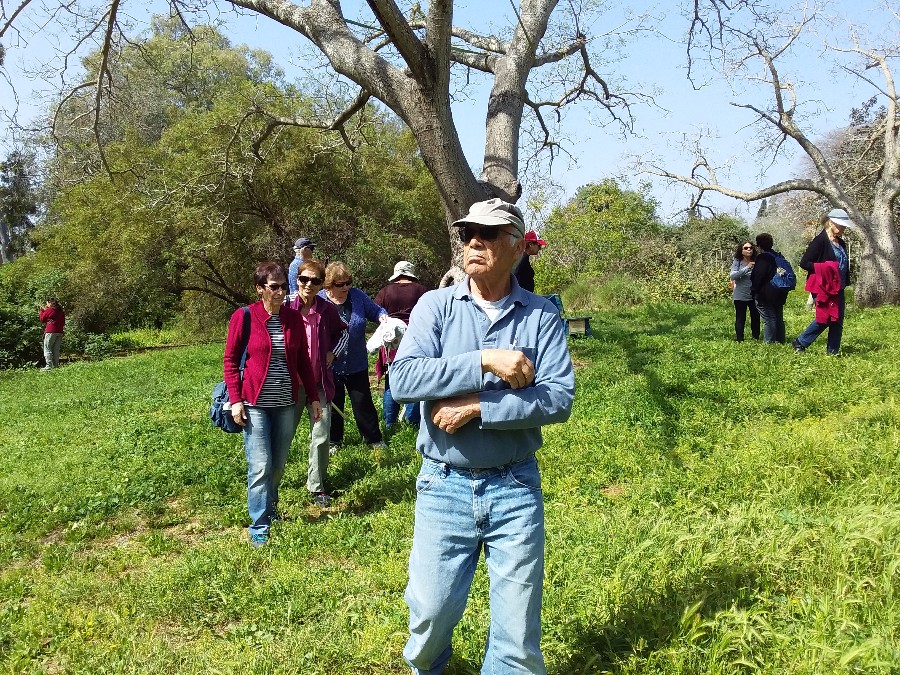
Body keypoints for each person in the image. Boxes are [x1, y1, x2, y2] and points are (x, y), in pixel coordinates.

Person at [390, 198, 575, 674]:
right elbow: (403, 380)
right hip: (443, 484)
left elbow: (557, 399)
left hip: (514, 488)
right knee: (430, 615)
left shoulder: (541, 317)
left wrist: (478, 407)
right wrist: (484, 360)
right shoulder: (435, 306)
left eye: (488, 234)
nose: (474, 241)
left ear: (517, 248)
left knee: (517, 636)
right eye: (468, 232)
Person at [224, 262, 322, 548]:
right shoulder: (244, 317)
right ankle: (259, 523)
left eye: (283, 286)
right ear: (260, 289)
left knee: (277, 466)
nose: (281, 292)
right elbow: (230, 361)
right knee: (260, 466)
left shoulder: (292, 318)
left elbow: (303, 361)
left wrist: (314, 398)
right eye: (274, 287)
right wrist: (235, 400)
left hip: (286, 403)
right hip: (255, 403)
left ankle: (271, 507)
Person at [289, 260, 349, 506]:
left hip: (319, 384)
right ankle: (271, 485)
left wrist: (333, 353)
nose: (308, 285)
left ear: (321, 284)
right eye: (304, 279)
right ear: (297, 280)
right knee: (283, 435)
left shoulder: (326, 309)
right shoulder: (285, 306)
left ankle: (317, 486)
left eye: (315, 281)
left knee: (322, 434)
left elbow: (343, 332)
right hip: (290, 385)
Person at [319, 261, 388, 449]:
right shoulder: (319, 301)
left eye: (348, 282)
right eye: (339, 284)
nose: (345, 287)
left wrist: (382, 317)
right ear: (328, 285)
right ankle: (334, 441)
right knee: (334, 404)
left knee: (363, 402)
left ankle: (374, 439)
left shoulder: (357, 296)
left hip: (356, 362)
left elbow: (376, 310)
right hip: (329, 365)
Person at [793, 208, 857, 355]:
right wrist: (824, 268)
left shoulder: (841, 242)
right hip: (823, 287)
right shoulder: (820, 241)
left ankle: (832, 352)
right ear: (831, 223)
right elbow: (804, 263)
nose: (844, 228)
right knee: (825, 318)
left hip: (838, 287)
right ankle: (800, 342)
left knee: (837, 320)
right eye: (842, 225)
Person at [374, 261, 429, 429]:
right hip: (415, 339)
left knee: (391, 382)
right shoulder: (421, 291)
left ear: (396, 274)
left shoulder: (386, 291)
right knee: (416, 380)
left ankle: (390, 423)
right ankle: (413, 422)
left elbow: (375, 312)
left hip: (392, 342)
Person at [750, 233, 789, 344]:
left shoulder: (763, 258)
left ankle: (769, 343)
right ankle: (780, 341)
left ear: (759, 245)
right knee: (778, 317)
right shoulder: (778, 256)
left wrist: (754, 290)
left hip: (766, 293)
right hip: (780, 291)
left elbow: (758, 276)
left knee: (769, 318)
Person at [729, 241, 760, 342]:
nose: (749, 250)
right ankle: (740, 340)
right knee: (740, 318)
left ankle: (755, 338)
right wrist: (747, 268)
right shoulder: (737, 261)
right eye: (746, 248)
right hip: (740, 295)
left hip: (754, 294)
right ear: (741, 250)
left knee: (755, 317)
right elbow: (733, 276)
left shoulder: (757, 260)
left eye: (750, 248)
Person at [39, 297, 66, 370]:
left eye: (47, 303)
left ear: (50, 303)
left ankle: (49, 366)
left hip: (51, 331)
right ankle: (55, 365)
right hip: (59, 331)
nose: (46, 305)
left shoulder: (50, 310)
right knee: (56, 349)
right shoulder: (61, 311)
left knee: (47, 348)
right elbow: (63, 322)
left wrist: (41, 311)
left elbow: (42, 319)